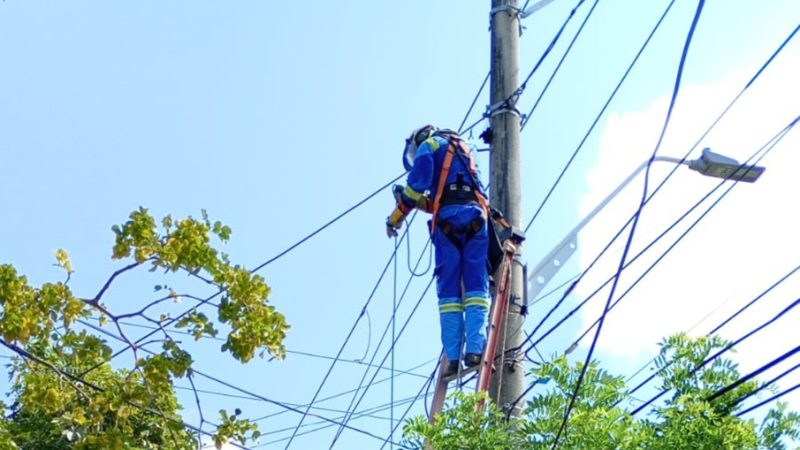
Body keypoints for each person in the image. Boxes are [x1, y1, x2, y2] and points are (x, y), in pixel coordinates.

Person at [385, 125, 490, 377]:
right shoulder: (468, 148)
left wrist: (396, 216)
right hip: (477, 218)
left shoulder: (428, 146)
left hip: (447, 224)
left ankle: (453, 358)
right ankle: (475, 350)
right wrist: (417, 201)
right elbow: (450, 194)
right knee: (477, 287)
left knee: (449, 294)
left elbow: (416, 188)